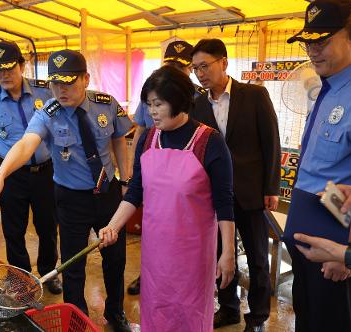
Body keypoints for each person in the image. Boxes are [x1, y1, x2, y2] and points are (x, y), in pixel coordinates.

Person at [0, 49, 133, 332]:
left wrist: (125, 180)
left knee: (115, 259)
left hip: (108, 194)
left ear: (85, 78)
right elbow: (25, 144)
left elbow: (120, 138)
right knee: (73, 265)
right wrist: (1, 174)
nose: (61, 90)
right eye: (55, 83)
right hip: (71, 198)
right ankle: (77, 319)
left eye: (69, 82)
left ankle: (115, 312)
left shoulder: (105, 104)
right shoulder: (47, 113)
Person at [99, 65, 235, 331]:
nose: (151, 112)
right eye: (149, 104)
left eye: (158, 104)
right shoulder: (148, 139)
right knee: (157, 307)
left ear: (178, 101)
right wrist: (113, 226)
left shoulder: (209, 142)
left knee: (189, 311)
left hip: (193, 253)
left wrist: (228, 252)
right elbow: (135, 191)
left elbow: (224, 203)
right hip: (156, 251)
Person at [189, 39, 281, 332]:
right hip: (213, 196)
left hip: (252, 193)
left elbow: (271, 143)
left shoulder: (254, 95)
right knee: (218, 255)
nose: (200, 74)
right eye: (195, 69)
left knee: (257, 258)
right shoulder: (196, 104)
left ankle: (257, 317)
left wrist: (272, 188)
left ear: (224, 62)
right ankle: (228, 308)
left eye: (205, 66)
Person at [0, 41, 62, 295]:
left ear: (23, 65)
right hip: (10, 175)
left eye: (10, 68)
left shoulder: (46, 92)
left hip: (46, 171)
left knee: (48, 227)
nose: (5, 75)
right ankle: (20, 277)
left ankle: (48, 274)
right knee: (13, 230)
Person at [283, 1, 351, 331]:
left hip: (333, 253)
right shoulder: (326, 90)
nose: (312, 51)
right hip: (306, 248)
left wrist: (348, 253)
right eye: (308, 42)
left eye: (322, 41)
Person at [126, 40, 206, 295]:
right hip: (156, 172)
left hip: (188, 181)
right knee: (153, 228)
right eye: (170, 64)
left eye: (181, 66)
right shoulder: (154, 91)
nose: (176, 70)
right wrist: (132, 168)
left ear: (190, 69)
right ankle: (147, 274)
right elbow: (140, 128)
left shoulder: (199, 97)